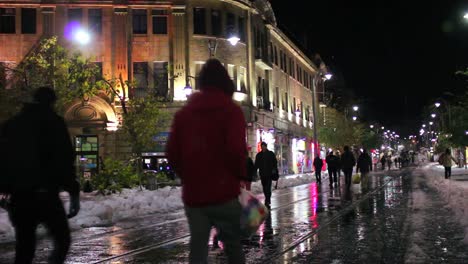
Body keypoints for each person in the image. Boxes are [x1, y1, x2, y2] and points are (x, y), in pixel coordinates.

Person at [166, 59, 246, 264]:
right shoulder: (232, 112)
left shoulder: (184, 115)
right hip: (225, 193)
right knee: (234, 247)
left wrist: (188, 175)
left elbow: (172, 152)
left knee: (198, 249)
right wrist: (240, 176)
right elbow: (236, 151)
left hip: (195, 195)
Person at [1, 87, 80, 264]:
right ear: (51, 101)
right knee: (62, 241)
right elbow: (64, 159)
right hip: (47, 195)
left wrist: (5, 189)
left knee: (24, 247)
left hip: (20, 196)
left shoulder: (12, 124)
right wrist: (73, 192)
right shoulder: (54, 123)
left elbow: (3, 158)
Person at [255, 142, 278, 209]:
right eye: (262, 146)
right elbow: (256, 164)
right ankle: (267, 198)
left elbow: (275, 162)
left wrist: (274, 169)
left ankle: (267, 200)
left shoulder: (271, 154)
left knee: (268, 187)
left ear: (266, 146)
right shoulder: (259, 155)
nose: (263, 147)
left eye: (264, 146)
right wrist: (255, 171)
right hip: (262, 174)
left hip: (269, 174)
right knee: (264, 188)